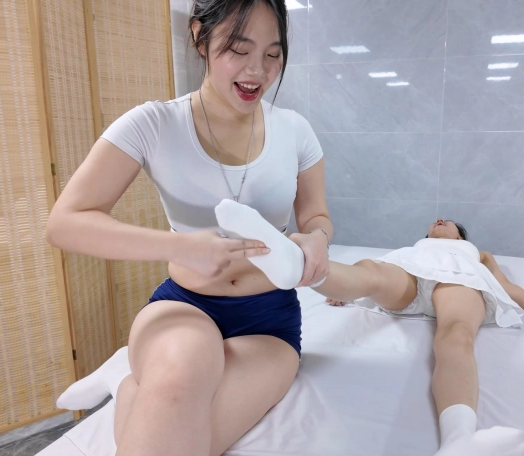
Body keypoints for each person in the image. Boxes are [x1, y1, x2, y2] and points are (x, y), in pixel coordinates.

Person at [45, 0, 333, 454]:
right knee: (179, 382)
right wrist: (180, 247)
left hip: (269, 320)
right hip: (185, 307)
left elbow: (316, 216)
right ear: (200, 36)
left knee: (186, 440)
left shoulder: (295, 131)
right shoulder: (155, 123)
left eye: (273, 54)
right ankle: (141, 373)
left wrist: (317, 240)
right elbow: (65, 223)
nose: (257, 71)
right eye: (239, 49)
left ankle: (126, 384)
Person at [314, 218, 524, 456]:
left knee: (456, 333)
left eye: (448, 222)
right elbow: (387, 269)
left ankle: (459, 440)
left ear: (460, 237)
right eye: (436, 221)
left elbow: (504, 284)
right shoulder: (416, 248)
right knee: (371, 270)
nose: (439, 220)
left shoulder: (479, 254)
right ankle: (309, 266)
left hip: (459, 279)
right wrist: (348, 292)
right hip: (411, 274)